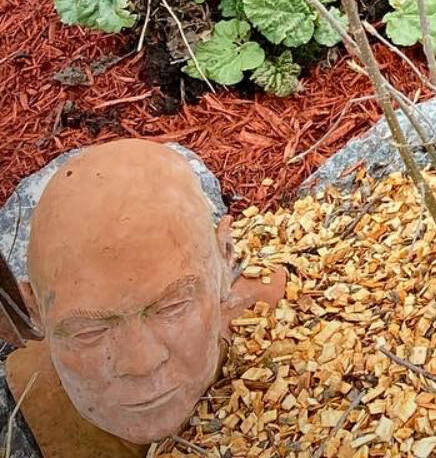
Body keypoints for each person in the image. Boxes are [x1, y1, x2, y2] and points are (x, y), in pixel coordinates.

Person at [2, 142, 284, 458]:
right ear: (34, 314)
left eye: (172, 308)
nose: (141, 363)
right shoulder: (20, 420)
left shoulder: (292, 330)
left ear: (225, 259)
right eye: (89, 332)